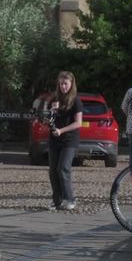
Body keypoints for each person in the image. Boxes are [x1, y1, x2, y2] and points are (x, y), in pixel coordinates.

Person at [47, 71, 84, 211]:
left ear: (71, 84)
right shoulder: (54, 99)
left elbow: (78, 123)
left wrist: (61, 130)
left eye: (66, 84)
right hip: (54, 139)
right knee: (53, 171)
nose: (63, 86)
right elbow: (48, 120)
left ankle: (70, 199)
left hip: (69, 140)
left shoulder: (76, 101)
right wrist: (51, 111)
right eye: (61, 83)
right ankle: (56, 200)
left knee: (63, 168)